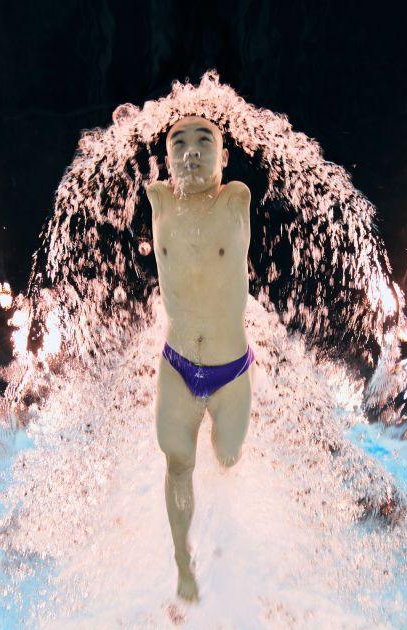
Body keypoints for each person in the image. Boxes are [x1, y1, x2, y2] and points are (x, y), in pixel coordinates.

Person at [145, 115, 253, 602]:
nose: (191, 152)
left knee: (227, 457)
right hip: (177, 367)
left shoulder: (235, 200)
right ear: (166, 160)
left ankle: (230, 521)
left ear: (223, 156)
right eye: (179, 144)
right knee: (178, 463)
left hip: (231, 374)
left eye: (204, 142)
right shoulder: (159, 200)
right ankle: (182, 565)